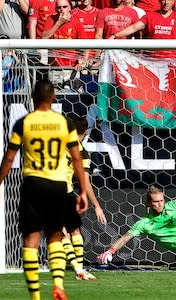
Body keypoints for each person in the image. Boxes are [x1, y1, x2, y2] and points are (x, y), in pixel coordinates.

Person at [0, 79, 89, 300]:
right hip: (58, 187)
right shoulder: (65, 123)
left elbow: (9, 158)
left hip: (33, 184)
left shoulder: (24, 122)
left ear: (33, 98)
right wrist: (82, 191)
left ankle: (35, 296)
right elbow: (76, 159)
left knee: (31, 241)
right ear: (53, 98)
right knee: (55, 237)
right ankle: (59, 286)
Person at [62, 116, 107, 281]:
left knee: (64, 233)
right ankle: (79, 270)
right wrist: (96, 205)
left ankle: (78, 270)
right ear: (85, 132)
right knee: (73, 231)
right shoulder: (82, 152)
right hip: (65, 192)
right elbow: (85, 182)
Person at [109, 0, 176, 58]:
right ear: (160, 1)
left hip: (173, 60)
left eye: (169, 0)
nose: (166, 3)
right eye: (163, 0)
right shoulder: (150, 16)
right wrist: (115, 35)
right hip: (154, 59)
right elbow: (134, 27)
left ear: (173, 2)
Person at [42, 0, 86, 88]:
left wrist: (81, 62)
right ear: (55, 9)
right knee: (56, 97)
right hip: (55, 67)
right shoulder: (51, 19)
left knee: (73, 96)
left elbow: (84, 45)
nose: (62, 9)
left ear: (70, 8)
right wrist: (59, 23)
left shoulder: (76, 21)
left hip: (72, 67)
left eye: (64, 7)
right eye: (59, 7)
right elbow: (44, 38)